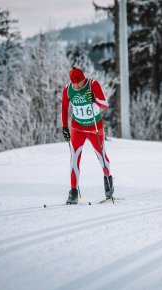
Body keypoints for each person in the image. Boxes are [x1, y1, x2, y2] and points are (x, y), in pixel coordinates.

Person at [61, 67, 114, 204]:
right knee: (74, 158)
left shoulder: (93, 85)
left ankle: (109, 188)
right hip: (77, 128)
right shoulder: (68, 89)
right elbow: (64, 108)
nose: (77, 85)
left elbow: (105, 105)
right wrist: (65, 127)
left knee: (101, 155)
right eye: (74, 82)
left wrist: (95, 99)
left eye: (79, 82)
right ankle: (73, 193)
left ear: (83, 78)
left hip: (94, 127)